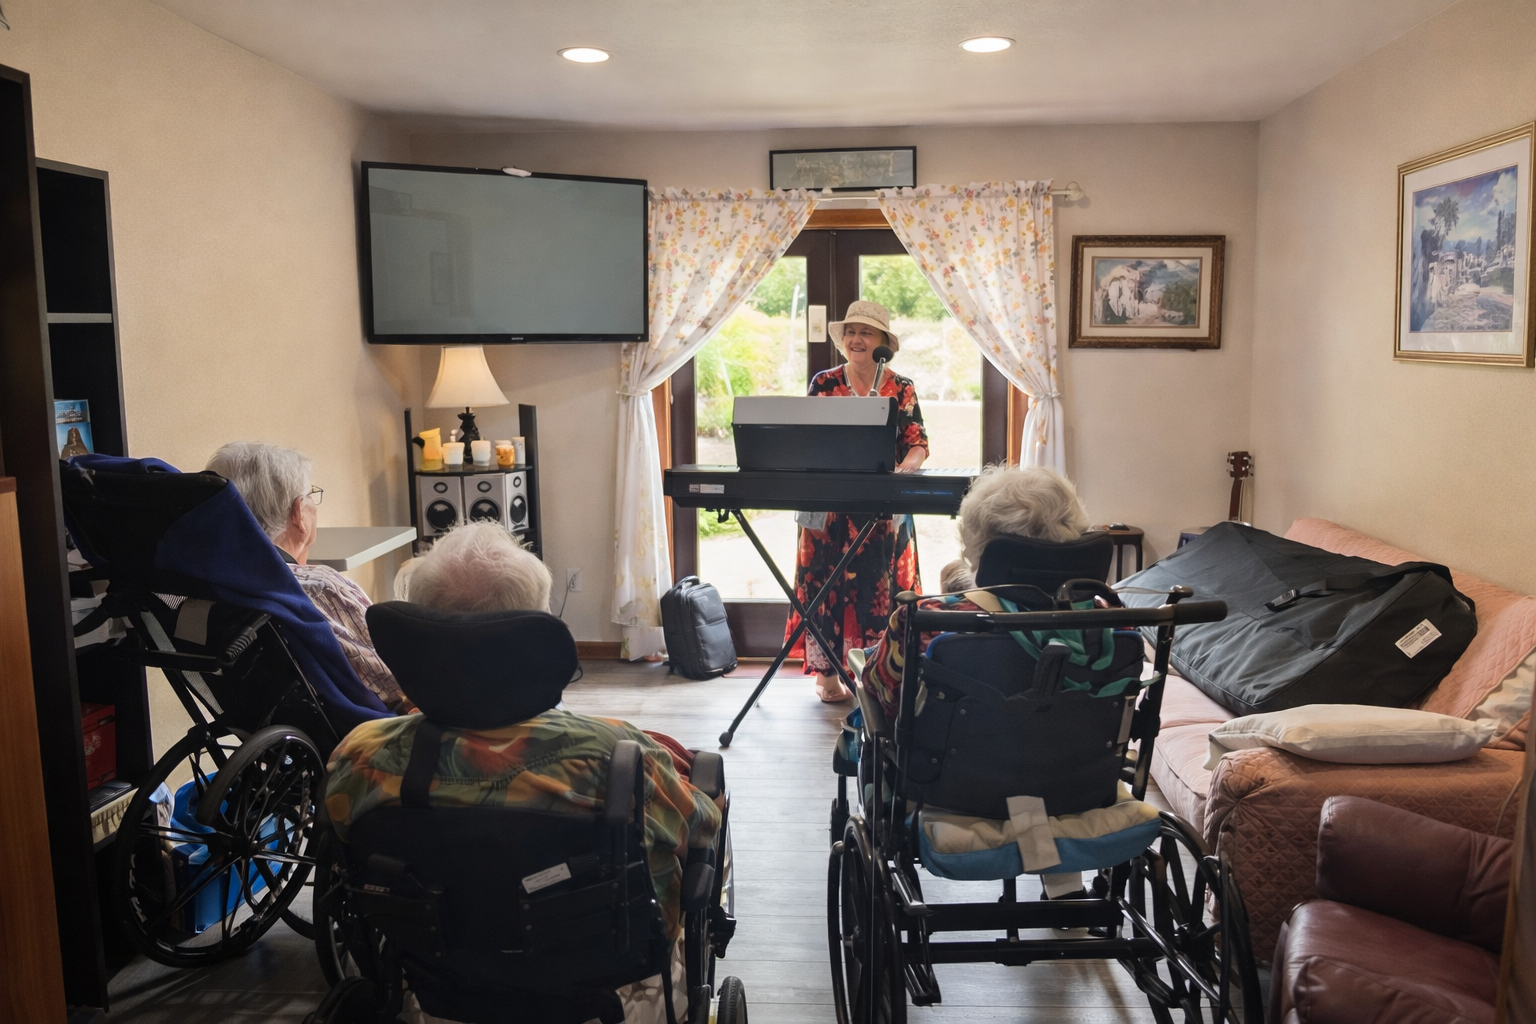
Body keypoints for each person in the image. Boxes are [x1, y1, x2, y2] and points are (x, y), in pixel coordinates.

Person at [324, 520, 722, 946]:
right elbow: (698, 830)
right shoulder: (613, 756)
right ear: (535, 632)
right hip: (606, 976)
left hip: (436, 975)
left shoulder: (361, 756)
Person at [861, 464, 1092, 721]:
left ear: (978, 544)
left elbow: (883, 695)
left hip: (950, 758)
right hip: (1081, 758)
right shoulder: (1110, 625)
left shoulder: (924, 621)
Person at [785, 299, 929, 703]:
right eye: (850, 331)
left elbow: (917, 443)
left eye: (865, 332)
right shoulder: (824, 382)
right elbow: (807, 440)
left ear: (883, 342)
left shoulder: (900, 387)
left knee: (880, 588)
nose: (855, 338)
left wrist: (906, 468)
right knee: (826, 587)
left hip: (883, 507)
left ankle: (880, 672)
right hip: (830, 508)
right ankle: (828, 670)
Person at [205, 442, 404, 709]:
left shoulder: (213, 587)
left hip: (260, 723)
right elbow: (396, 683)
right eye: (311, 495)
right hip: (357, 732)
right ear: (299, 513)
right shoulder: (321, 587)